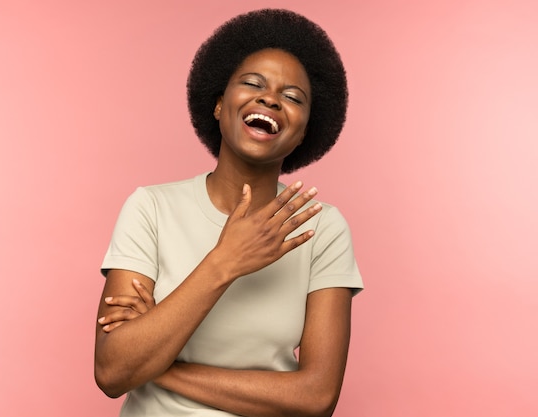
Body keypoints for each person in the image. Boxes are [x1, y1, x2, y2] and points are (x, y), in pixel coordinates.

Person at [94, 8, 364, 417]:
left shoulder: (322, 228)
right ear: (219, 105)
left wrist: (155, 367)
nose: (270, 98)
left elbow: (315, 397)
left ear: (305, 130)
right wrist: (225, 262)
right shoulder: (150, 208)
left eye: (292, 97)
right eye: (253, 84)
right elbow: (112, 371)